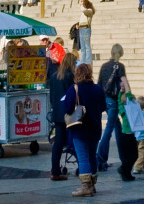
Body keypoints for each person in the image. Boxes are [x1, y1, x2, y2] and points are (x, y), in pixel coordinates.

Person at [60, 63, 104, 197]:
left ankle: (86, 186)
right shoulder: (98, 89)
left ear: (77, 74)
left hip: (80, 128)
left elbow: (67, 108)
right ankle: (92, 184)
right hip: (95, 127)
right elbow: (103, 107)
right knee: (92, 156)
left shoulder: (74, 89)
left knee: (83, 157)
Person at [96, 44, 127, 171]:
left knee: (117, 128)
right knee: (109, 129)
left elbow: (99, 83)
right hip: (114, 99)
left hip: (106, 99)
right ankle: (100, 158)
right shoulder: (120, 67)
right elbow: (124, 83)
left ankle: (124, 157)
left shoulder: (104, 66)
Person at [48, 54, 76, 180]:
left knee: (58, 143)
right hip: (68, 113)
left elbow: (52, 97)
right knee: (73, 139)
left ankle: (55, 170)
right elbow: (72, 95)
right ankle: (82, 165)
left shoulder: (55, 76)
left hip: (57, 114)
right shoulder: (70, 76)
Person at [76, 0, 95, 66]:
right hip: (81, 29)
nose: (82, 5)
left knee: (87, 46)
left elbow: (84, 11)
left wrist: (81, 6)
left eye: (83, 4)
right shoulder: (84, 12)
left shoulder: (90, 10)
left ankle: (88, 61)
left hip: (86, 29)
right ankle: (83, 61)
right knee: (83, 47)